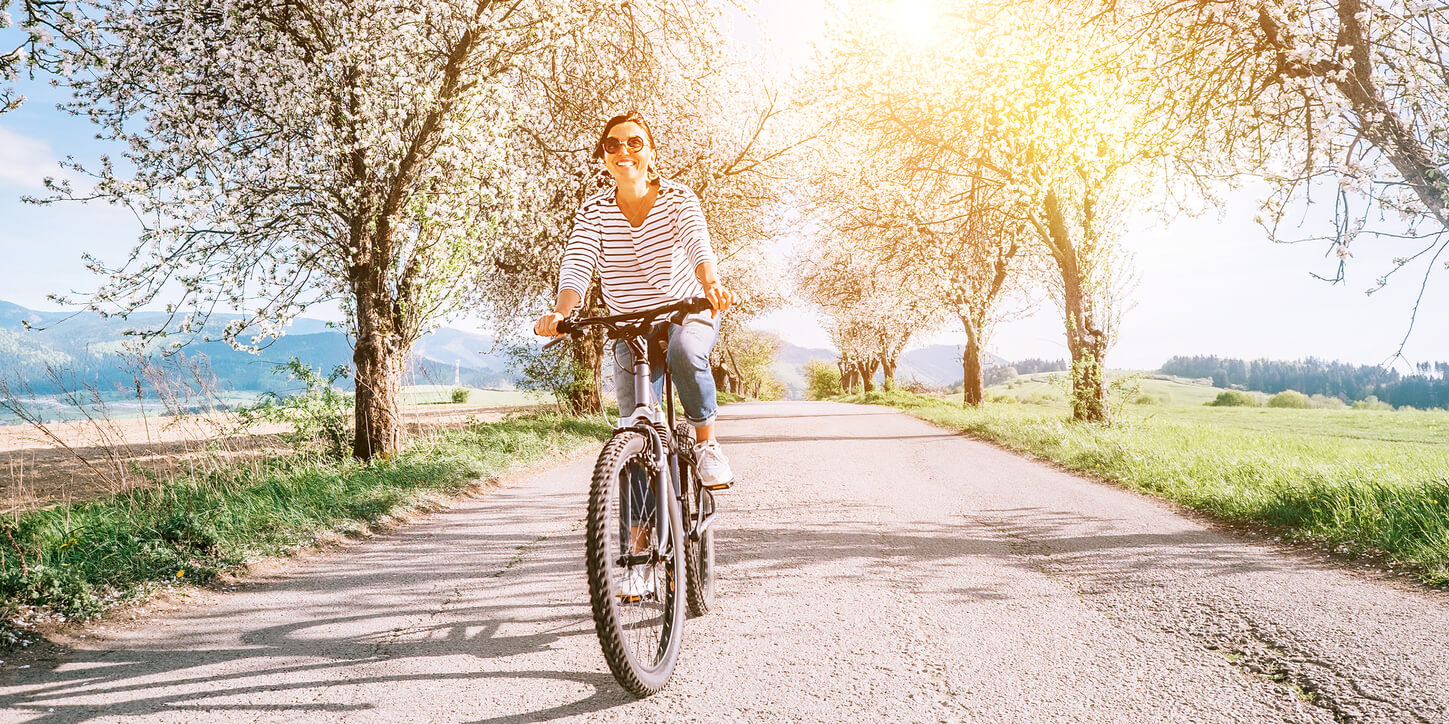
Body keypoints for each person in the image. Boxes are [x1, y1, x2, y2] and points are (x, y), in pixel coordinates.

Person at [535, 110, 736, 490]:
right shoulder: (593, 211)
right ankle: (639, 537)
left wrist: (710, 284)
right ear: (604, 157)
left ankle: (707, 445)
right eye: (612, 145)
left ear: (651, 153)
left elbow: (697, 244)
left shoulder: (678, 198)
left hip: (687, 308)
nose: (622, 151)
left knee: (686, 352)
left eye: (634, 143)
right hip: (629, 323)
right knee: (636, 425)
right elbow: (578, 262)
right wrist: (561, 312)